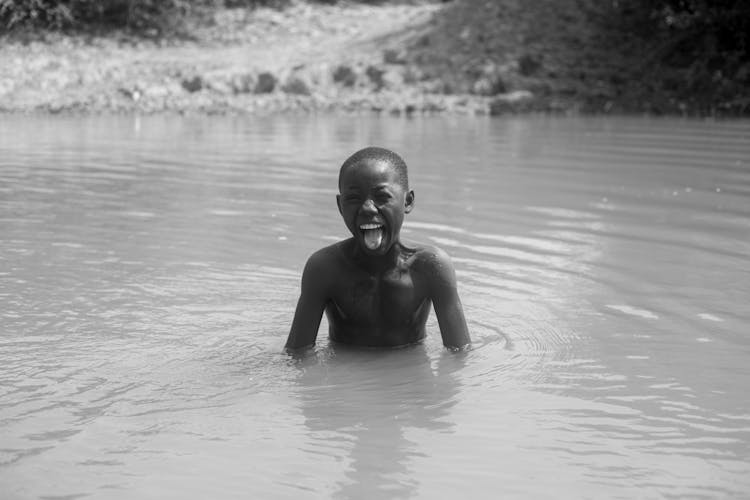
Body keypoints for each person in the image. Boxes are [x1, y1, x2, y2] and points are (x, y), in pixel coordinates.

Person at [285, 147, 470, 351]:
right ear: (340, 205)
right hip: (348, 375)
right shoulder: (324, 268)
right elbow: (297, 354)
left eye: (382, 197)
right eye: (354, 198)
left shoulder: (431, 267)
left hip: (407, 374)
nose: (367, 208)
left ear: (407, 201)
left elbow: (460, 352)